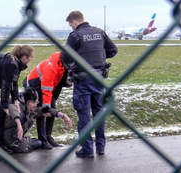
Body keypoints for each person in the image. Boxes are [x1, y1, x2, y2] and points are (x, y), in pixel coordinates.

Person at [65, 11, 118, 158]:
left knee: (84, 114)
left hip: (82, 79)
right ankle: (101, 147)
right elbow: (113, 50)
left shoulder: (75, 36)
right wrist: (99, 57)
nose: (71, 27)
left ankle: (87, 149)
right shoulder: (100, 32)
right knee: (99, 113)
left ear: (74, 22)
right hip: (99, 77)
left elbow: (65, 56)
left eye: (71, 24)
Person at [23, 52, 73, 149]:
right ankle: (42, 139)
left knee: (52, 108)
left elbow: (57, 87)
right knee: (42, 111)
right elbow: (46, 89)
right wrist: (46, 109)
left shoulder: (62, 65)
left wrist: (51, 105)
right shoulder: (51, 67)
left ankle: (48, 136)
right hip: (35, 85)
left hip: (46, 87)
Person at [3, 87, 72, 153]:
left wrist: (62, 115)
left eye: (36, 102)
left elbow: (43, 110)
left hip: (15, 138)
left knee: (38, 142)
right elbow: (12, 109)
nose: (35, 105)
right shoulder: (18, 108)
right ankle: (10, 147)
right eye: (33, 102)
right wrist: (18, 123)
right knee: (37, 144)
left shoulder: (28, 110)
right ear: (26, 102)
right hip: (11, 140)